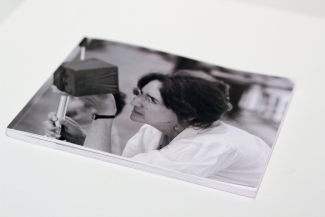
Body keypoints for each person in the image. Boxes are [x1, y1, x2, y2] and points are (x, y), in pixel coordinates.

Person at [44, 72, 270, 187]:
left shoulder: (209, 145)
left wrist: (104, 111)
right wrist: (82, 141)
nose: (134, 103)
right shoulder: (154, 130)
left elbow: (113, 183)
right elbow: (122, 170)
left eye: (150, 99)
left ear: (188, 113)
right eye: (138, 93)